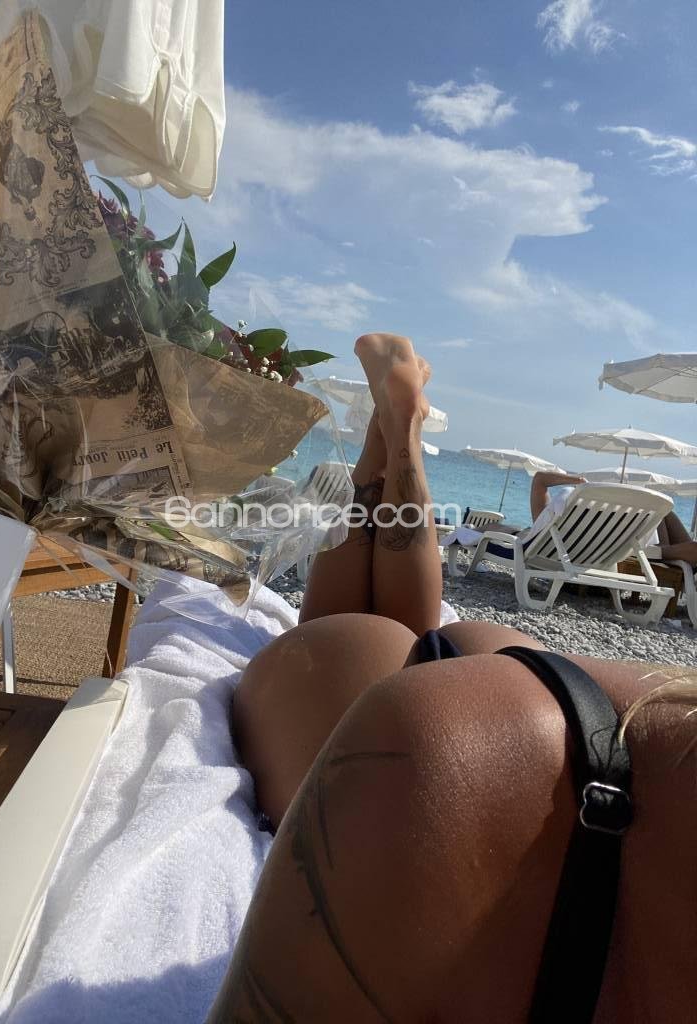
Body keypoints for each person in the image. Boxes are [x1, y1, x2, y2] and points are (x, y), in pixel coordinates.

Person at [207, 334, 697, 1023]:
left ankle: (392, 435)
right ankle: (395, 433)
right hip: (432, 818)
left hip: (564, 699)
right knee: (352, 636)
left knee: (385, 629)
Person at [530, 469, 697, 565]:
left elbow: (539, 478)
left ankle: (658, 551)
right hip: (594, 555)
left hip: (559, 554)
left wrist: (579, 480)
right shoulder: (597, 530)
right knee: (667, 517)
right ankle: (657, 551)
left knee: (667, 516)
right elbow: (540, 478)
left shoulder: (541, 532)